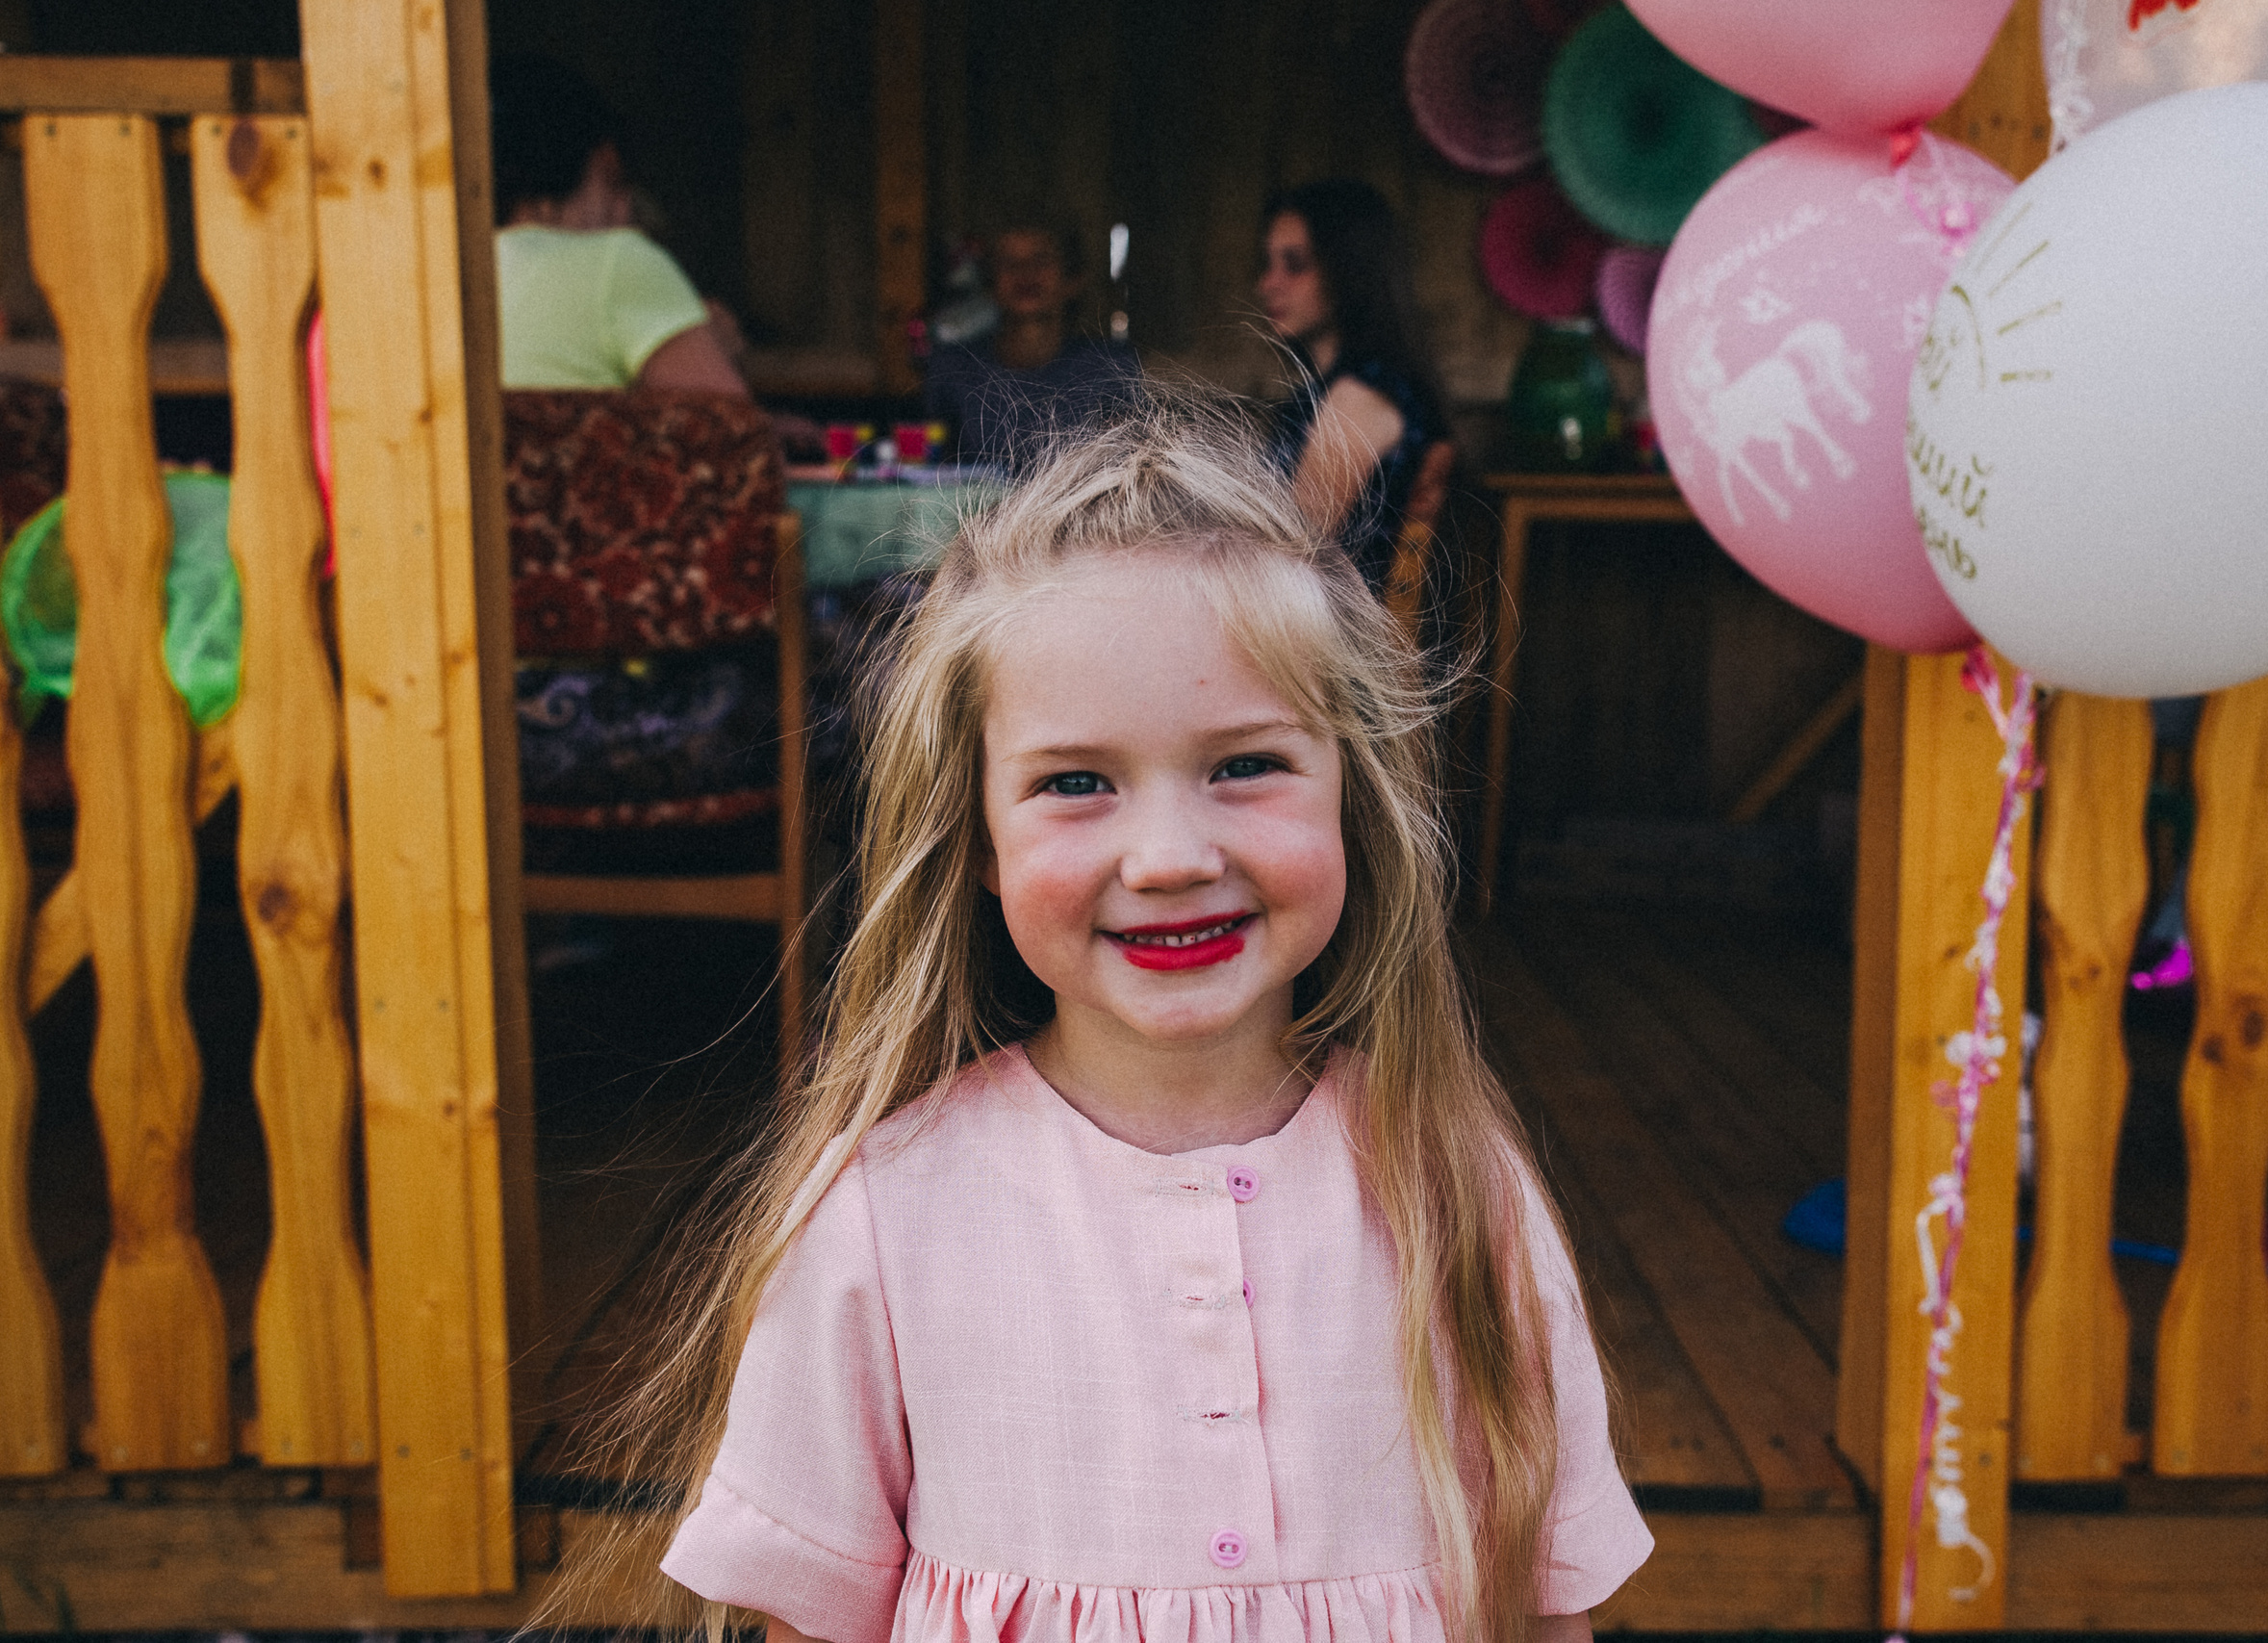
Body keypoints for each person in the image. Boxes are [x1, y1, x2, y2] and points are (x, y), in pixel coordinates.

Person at [610, 396, 1648, 1643]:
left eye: (1244, 765)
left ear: (1352, 794)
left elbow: (1547, 1602)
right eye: (1076, 782)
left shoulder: (1455, 1181)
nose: (1167, 857)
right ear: (977, 837)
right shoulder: (884, 1210)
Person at [490, 55, 749, 396]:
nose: (625, 210)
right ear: (555, 173)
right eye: (612, 181)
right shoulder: (617, 261)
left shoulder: (443, 278)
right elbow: (731, 424)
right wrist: (714, 349)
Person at [1256, 179, 1449, 591]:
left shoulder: (1360, 397)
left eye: (1295, 264)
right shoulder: (1341, 389)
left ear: (1349, 269)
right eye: (1268, 263)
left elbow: (1291, 555)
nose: (1268, 283)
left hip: (1327, 621)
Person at [924, 218, 1139, 467]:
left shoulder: (1108, 368)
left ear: (1073, 278)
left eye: (1041, 260)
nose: (1025, 273)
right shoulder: (955, 369)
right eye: (1008, 262)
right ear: (989, 281)